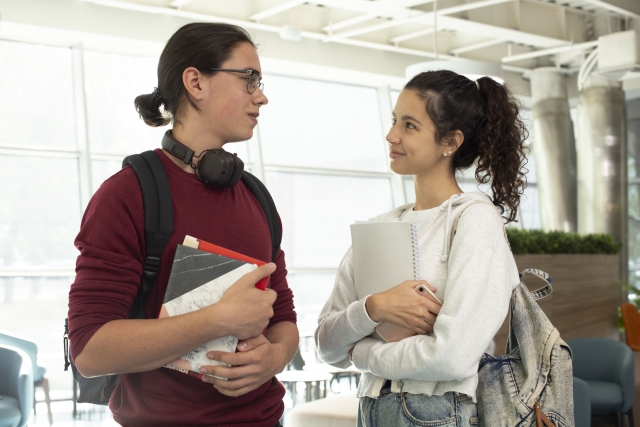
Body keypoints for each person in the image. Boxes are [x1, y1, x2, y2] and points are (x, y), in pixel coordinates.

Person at [68, 22, 298, 427]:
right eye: (249, 79)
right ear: (195, 81)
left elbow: (283, 319)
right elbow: (90, 352)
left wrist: (274, 357)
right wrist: (219, 319)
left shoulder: (257, 196)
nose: (260, 97)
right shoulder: (128, 194)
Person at [315, 70, 528, 427]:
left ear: (450, 141)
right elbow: (326, 345)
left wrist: (362, 351)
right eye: (395, 119)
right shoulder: (379, 227)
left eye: (410, 125)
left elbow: (452, 357)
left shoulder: (474, 222)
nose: (391, 134)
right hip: (371, 409)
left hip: (437, 413)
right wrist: (373, 307)